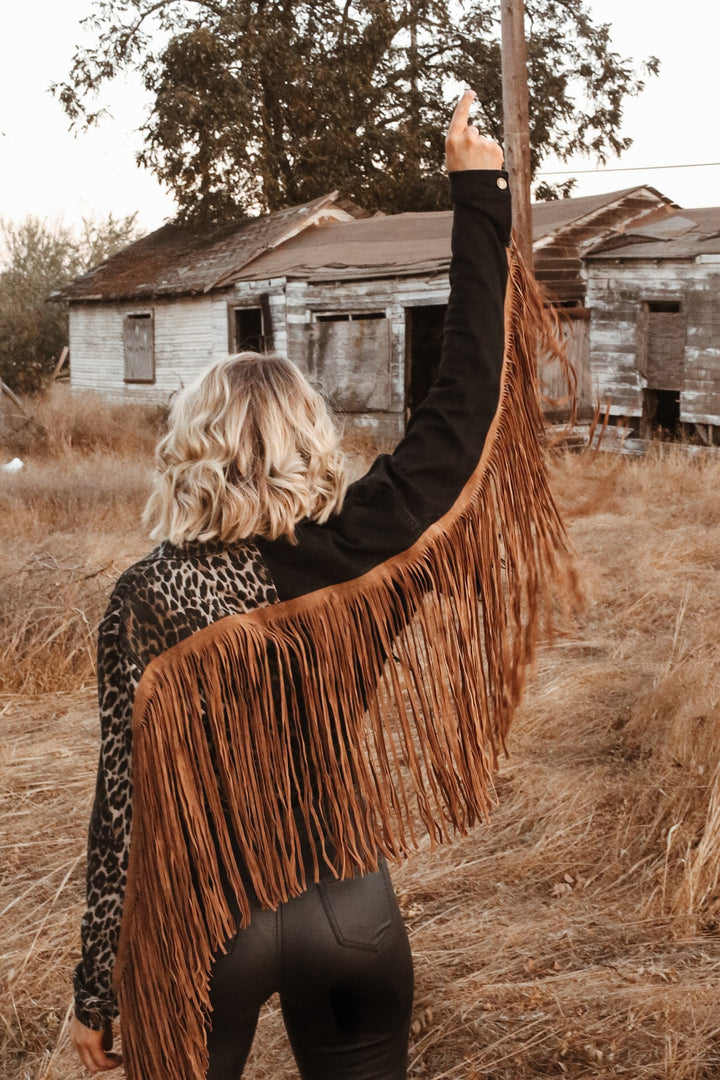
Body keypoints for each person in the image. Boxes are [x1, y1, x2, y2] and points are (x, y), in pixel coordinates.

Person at [71, 90, 512, 1078]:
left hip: (211, 923)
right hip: (352, 905)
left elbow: (123, 806)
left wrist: (96, 988)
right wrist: (478, 193)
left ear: (191, 451)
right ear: (311, 445)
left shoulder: (148, 597)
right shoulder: (369, 543)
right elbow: (465, 405)